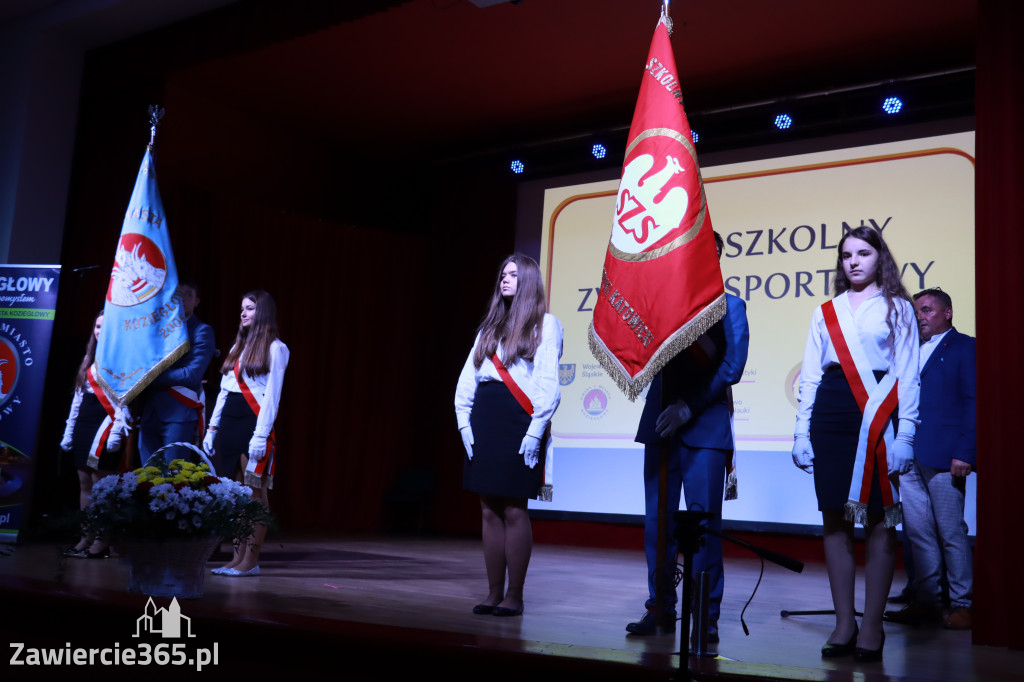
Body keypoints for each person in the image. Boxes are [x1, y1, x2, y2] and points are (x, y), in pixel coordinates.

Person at [792, 226, 919, 662]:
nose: (854, 262)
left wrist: (906, 435)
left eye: (863, 253)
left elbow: (909, 374)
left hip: (879, 414)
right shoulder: (823, 312)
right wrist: (800, 432)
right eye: (846, 255)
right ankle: (844, 623)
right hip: (831, 414)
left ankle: (871, 627)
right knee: (835, 518)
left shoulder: (899, 308)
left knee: (881, 521)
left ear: (878, 256)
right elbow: (810, 375)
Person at [627, 232, 749, 642]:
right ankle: (659, 608)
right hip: (661, 424)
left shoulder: (732, 307)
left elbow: (730, 367)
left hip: (705, 429)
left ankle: (705, 616)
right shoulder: (662, 306)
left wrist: (688, 407)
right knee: (657, 527)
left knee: (703, 528)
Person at [454, 255, 563, 617]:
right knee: (488, 508)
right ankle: (493, 593)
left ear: (529, 280)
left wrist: (535, 432)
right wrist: (464, 422)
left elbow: (549, 384)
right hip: (486, 416)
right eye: (503, 273)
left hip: (519, 419)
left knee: (514, 507)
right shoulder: (490, 327)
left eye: (513, 275)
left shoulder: (546, 325)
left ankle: (514, 595)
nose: (505, 279)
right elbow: (468, 378)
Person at [887, 288, 975, 629]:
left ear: (947, 312)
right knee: (918, 533)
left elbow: (973, 402)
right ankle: (927, 602)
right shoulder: (906, 351)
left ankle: (962, 604)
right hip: (908, 457)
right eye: (917, 311)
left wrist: (965, 452)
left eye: (926, 310)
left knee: (951, 531)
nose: (920, 316)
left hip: (946, 456)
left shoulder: (966, 347)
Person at [204, 290, 288, 577]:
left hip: (253, 425)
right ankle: (236, 558)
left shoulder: (276, 348)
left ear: (262, 312)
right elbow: (224, 392)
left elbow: (271, 398)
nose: (243, 313)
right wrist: (212, 427)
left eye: (249, 309)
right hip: (229, 422)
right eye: (242, 308)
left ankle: (250, 561)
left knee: (255, 495)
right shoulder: (236, 349)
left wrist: (261, 435)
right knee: (236, 495)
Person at [59, 311, 130, 558]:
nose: (100, 331)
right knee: (84, 483)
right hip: (85, 421)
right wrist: (69, 431)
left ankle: (102, 538)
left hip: (107, 423)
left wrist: (117, 431)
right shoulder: (89, 358)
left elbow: (125, 401)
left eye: (105, 327)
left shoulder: (123, 360)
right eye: (97, 326)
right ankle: (85, 536)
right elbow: (77, 400)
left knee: (103, 486)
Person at [138, 279, 216, 464]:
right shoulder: (157, 329)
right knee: (146, 480)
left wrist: (151, 376)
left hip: (179, 414)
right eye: (177, 293)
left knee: (173, 480)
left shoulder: (201, 331)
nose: (181, 298)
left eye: (188, 294)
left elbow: (191, 375)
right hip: (150, 412)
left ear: (197, 301)